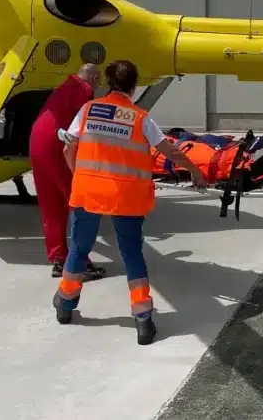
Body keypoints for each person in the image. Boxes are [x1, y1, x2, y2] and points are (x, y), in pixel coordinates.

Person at [51, 60, 208, 345]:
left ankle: (65, 302)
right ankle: (143, 317)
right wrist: (195, 170)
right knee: (132, 253)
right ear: (134, 87)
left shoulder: (89, 110)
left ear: (108, 83)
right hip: (126, 196)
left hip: (88, 191)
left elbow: (68, 147)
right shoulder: (140, 118)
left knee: (80, 248)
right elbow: (169, 151)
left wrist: (80, 175)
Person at [29, 63, 106, 280]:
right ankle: (79, 263)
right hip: (58, 146)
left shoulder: (63, 88)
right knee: (80, 204)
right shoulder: (83, 90)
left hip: (37, 144)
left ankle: (59, 259)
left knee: (52, 206)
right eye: (99, 82)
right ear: (94, 78)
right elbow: (87, 126)